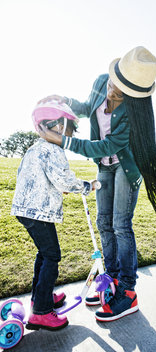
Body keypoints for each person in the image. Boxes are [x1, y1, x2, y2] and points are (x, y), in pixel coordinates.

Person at [38, 46, 156, 322]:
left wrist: (64, 141)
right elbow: (86, 107)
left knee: (120, 225)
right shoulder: (101, 81)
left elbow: (107, 145)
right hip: (104, 165)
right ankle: (112, 279)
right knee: (104, 222)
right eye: (115, 85)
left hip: (127, 167)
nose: (112, 93)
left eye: (121, 92)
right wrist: (64, 100)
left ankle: (128, 291)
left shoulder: (133, 111)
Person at [11, 100, 97, 331]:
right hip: (38, 212)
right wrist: (89, 186)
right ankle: (41, 312)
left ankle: (42, 297)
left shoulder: (35, 147)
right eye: (70, 129)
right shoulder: (53, 150)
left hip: (26, 210)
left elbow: (42, 178)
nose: (71, 135)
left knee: (44, 253)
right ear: (58, 126)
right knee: (52, 256)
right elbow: (63, 180)